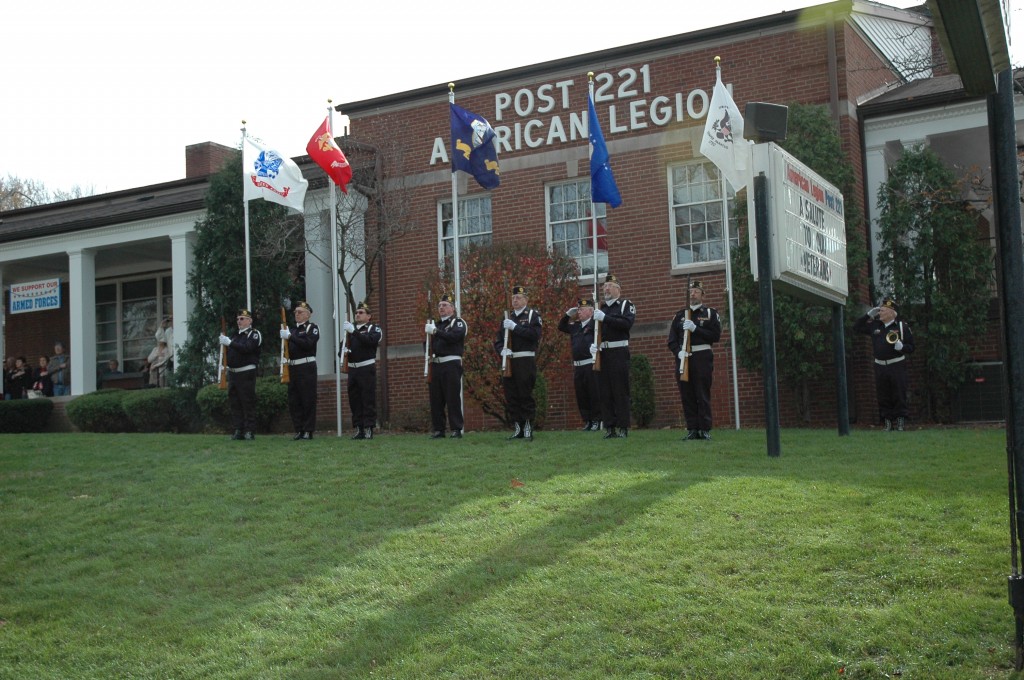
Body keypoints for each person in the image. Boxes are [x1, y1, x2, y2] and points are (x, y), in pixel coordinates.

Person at [668, 280, 722, 441]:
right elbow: (671, 340)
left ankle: (704, 429)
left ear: (702, 294)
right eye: (691, 291)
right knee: (687, 395)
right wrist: (678, 353)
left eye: (696, 291)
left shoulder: (710, 314)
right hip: (684, 358)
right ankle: (692, 428)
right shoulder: (679, 316)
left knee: (702, 394)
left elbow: (715, 336)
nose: (693, 294)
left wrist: (696, 329)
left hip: (702, 358)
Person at [854, 296, 915, 431]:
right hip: (880, 365)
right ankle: (887, 422)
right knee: (883, 394)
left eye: (882, 310)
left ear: (891, 313)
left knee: (899, 393)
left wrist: (902, 347)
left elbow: (911, 347)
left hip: (896, 364)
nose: (880, 313)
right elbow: (856, 327)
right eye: (880, 310)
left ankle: (900, 422)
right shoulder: (875, 325)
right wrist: (868, 314)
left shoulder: (901, 327)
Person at [494, 285, 543, 440]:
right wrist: (501, 350)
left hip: (525, 360)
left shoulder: (532, 315)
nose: (515, 300)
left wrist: (515, 327)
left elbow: (534, 335)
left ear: (526, 300)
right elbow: (498, 340)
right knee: (511, 395)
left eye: (519, 297)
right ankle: (518, 427)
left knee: (525, 394)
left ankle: (528, 426)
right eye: (513, 298)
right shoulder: (507, 317)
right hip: (509, 360)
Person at [593, 273, 636, 438]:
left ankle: (623, 427)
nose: (606, 289)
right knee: (605, 391)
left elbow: (626, 324)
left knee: (620, 390)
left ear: (618, 288)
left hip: (618, 352)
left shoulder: (625, 305)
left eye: (609, 286)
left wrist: (606, 318)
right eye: (604, 286)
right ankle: (609, 427)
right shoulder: (600, 308)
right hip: (603, 352)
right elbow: (594, 330)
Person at [425, 293, 467, 439]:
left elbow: (455, 337)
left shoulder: (458, 322)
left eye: (445, 305)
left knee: (452, 397)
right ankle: (439, 429)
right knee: (436, 398)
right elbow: (428, 346)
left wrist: (436, 332)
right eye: (440, 306)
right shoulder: (435, 324)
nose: (441, 308)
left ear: (452, 309)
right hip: (436, 364)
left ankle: (456, 429)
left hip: (451, 364)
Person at [558, 297, 602, 431]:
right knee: (581, 394)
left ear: (590, 311)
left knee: (593, 393)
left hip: (590, 364)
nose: (579, 312)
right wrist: (567, 315)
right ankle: (587, 420)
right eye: (578, 310)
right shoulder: (575, 326)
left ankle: (596, 420)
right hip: (578, 366)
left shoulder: (595, 325)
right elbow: (561, 326)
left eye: (582, 310)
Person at [219, 308, 262, 441]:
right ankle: (238, 429)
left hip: (246, 372)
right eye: (237, 319)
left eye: (242, 319)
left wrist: (230, 343)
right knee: (235, 403)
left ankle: (249, 430)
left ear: (250, 321)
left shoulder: (254, 334)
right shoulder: (234, 335)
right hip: (233, 374)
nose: (239, 321)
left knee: (247, 402)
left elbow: (247, 348)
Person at [343, 301, 382, 440]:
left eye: (361, 313)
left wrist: (354, 332)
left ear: (369, 316)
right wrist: (344, 351)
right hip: (353, 369)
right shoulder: (350, 330)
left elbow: (370, 341)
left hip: (366, 368)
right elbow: (342, 350)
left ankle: (369, 428)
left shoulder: (374, 328)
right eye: (356, 313)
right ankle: (358, 428)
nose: (358, 315)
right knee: (355, 400)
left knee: (368, 399)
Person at [281, 301, 320, 440]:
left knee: (307, 399)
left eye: (300, 312)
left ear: (308, 314)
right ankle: (299, 429)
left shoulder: (312, 328)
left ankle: (308, 430)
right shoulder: (291, 330)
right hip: (293, 368)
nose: (297, 314)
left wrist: (291, 337)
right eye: (295, 312)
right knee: (294, 400)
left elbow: (308, 344)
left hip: (306, 367)